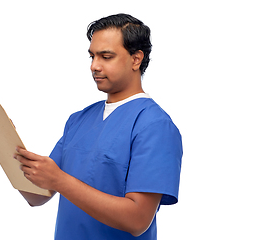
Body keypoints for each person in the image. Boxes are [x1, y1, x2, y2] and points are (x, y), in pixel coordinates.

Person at [14, 13, 183, 240]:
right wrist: (5, 145)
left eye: (106, 56)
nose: (94, 66)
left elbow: (138, 220)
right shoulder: (78, 120)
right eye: (92, 56)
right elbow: (37, 196)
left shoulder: (155, 126)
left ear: (136, 59)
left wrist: (59, 180)